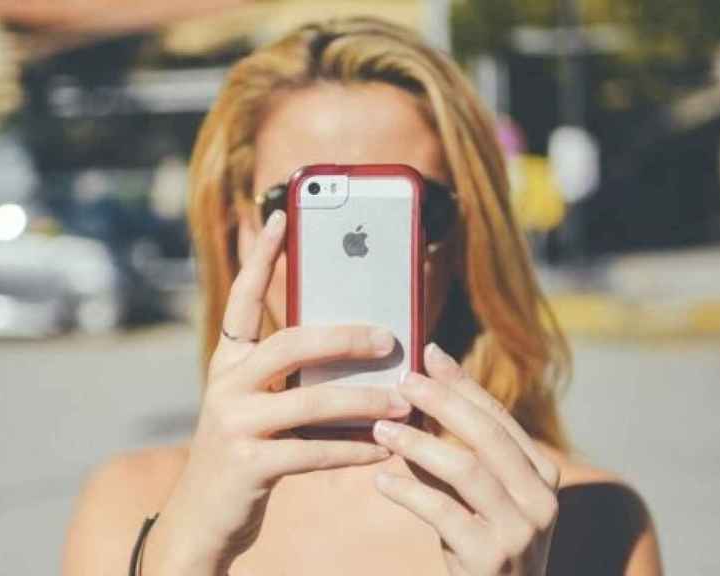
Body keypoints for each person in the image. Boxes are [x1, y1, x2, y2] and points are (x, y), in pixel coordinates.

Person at [63, 17, 661, 575]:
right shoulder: (129, 506)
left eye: (402, 209)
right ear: (240, 232)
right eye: (301, 205)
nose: (354, 249)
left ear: (460, 240)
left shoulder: (587, 518)